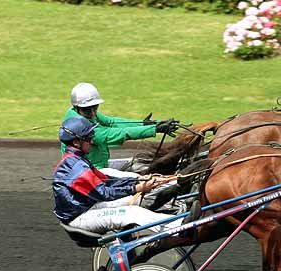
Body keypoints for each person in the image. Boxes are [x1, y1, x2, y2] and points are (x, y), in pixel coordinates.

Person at [53, 116, 197, 234]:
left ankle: (177, 211)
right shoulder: (75, 166)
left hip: (88, 206)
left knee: (138, 199)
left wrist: (138, 180)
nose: (92, 140)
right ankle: (181, 227)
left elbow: (107, 180)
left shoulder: (77, 159)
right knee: (132, 213)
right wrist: (138, 187)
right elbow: (105, 192)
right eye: (88, 137)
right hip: (80, 217)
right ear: (77, 142)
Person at [62, 82, 178, 171]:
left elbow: (112, 122)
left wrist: (146, 123)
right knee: (137, 178)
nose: (92, 112)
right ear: (77, 107)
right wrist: (154, 129)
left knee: (141, 164)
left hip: (101, 165)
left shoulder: (81, 112)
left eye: (95, 106)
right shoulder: (80, 124)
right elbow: (115, 134)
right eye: (88, 108)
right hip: (92, 171)